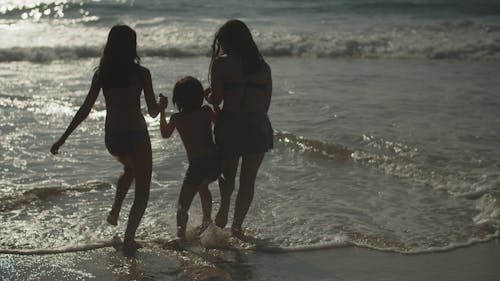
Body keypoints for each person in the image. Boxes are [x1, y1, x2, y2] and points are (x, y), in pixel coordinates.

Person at [50, 25, 161, 255]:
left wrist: (62, 138)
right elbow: (152, 112)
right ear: (133, 46)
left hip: (113, 138)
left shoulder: (102, 74)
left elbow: (85, 109)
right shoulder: (141, 74)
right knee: (142, 190)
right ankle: (129, 240)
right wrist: (162, 105)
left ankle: (115, 211)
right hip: (137, 136)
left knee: (130, 169)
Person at [206, 19, 273, 238]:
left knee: (228, 176)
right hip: (258, 125)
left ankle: (224, 209)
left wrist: (207, 95)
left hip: (232, 123)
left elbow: (216, 98)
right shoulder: (263, 67)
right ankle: (237, 227)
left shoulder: (221, 63)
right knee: (248, 181)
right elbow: (266, 104)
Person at [159, 76, 221, 243]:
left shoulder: (177, 118)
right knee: (203, 187)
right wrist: (213, 102)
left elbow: (164, 134)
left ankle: (181, 238)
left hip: (197, 166)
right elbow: (221, 125)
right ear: (200, 96)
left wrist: (162, 110)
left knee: (182, 207)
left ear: (177, 100)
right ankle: (206, 222)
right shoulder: (206, 111)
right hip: (215, 162)